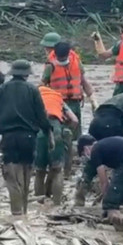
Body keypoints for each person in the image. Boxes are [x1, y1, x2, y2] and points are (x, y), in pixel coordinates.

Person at [0, 60, 52, 216]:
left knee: (12, 178)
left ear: (12, 73)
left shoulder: (2, 89)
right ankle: (25, 212)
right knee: (26, 175)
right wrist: (49, 133)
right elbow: (42, 117)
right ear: (27, 74)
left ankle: (16, 215)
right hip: (29, 138)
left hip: (9, 137)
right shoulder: (33, 90)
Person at [43, 41, 98, 177]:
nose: (62, 61)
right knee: (59, 133)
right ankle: (59, 162)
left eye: (64, 58)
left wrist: (92, 98)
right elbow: (43, 85)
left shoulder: (76, 61)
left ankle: (73, 163)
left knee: (75, 134)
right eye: (59, 59)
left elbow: (83, 81)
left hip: (74, 102)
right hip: (58, 104)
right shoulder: (50, 65)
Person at [74, 135, 123, 219]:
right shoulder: (104, 145)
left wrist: (106, 200)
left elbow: (104, 182)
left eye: (83, 154)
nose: (85, 156)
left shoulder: (95, 151)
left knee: (112, 199)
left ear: (86, 148)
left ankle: (113, 215)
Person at [35, 86, 79, 205]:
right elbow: (75, 120)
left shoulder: (33, 96)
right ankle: (56, 204)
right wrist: (66, 128)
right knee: (58, 170)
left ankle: (39, 204)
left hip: (39, 131)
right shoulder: (58, 98)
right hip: (56, 130)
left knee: (40, 171)